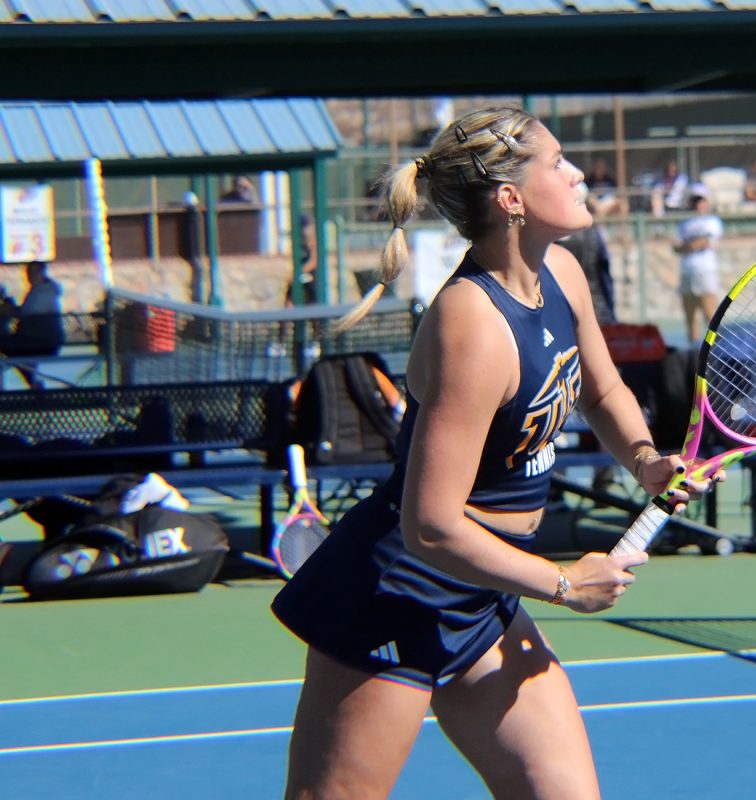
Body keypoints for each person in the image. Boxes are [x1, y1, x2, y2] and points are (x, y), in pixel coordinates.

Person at [271, 107, 720, 800]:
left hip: (484, 598)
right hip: (397, 596)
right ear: (510, 199)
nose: (577, 174)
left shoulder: (563, 273)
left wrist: (644, 460)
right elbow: (432, 526)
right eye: (557, 162)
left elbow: (601, 388)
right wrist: (565, 585)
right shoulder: (471, 324)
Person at [0, 261, 65, 391]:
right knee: (13, 352)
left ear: (42, 272)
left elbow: (25, 314)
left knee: (8, 346)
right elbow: (25, 313)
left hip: (39, 343)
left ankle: (32, 383)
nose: (29, 276)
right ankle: (33, 383)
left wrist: (8, 309)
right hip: (39, 341)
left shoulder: (43, 293)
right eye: (28, 272)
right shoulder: (43, 291)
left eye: (32, 272)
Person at [673, 185, 723, 345]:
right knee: (690, 316)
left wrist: (688, 245)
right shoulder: (684, 223)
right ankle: (693, 352)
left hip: (705, 271)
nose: (697, 205)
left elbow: (705, 242)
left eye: (701, 200)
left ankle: (716, 351)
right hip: (687, 272)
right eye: (695, 201)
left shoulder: (712, 221)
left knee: (711, 315)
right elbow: (676, 246)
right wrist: (691, 245)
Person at [559, 195, 616, 325]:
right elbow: (605, 279)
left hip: (564, 313)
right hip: (597, 309)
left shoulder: (551, 237)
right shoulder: (594, 234)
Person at [285, 213, 318, 306]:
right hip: (305, 276)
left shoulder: (314, 241)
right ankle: (288, 311)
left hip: (314, 277)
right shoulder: (300, 243)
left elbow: (314, 262)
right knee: (291, 286)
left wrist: (299, 272)